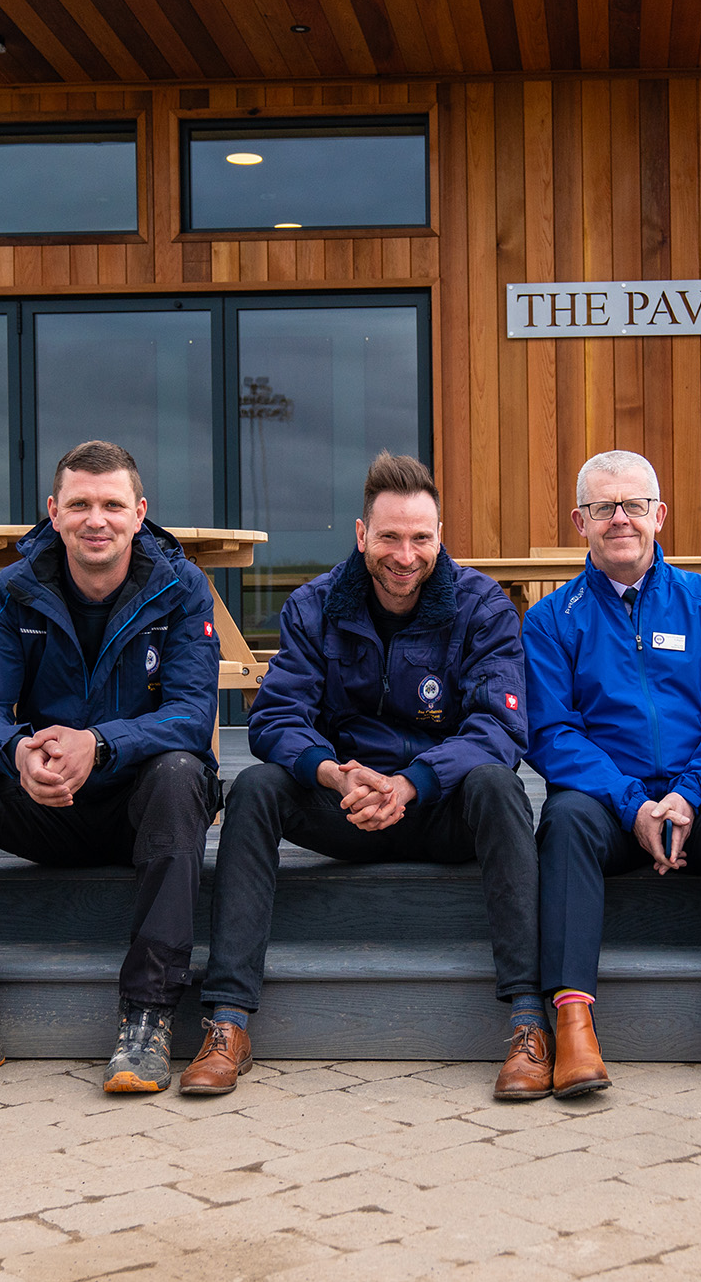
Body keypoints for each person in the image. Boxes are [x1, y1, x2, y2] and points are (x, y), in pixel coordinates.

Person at [195, 453, 543, 1099]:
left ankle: (528, 1020)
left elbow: (501, 728)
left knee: (501, 786)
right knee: (255, 789)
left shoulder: (481, 606)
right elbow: (274, 717)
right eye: (389, 536)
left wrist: (414, 780)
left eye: (421, 537)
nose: (405, 555)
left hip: (441, 806)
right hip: (346, 803)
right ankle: (228, 1022)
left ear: (440, 536)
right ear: (362, 535)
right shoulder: (315, 604)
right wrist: (330, 772)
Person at [0, 439, 222, 1096]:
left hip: (138, 805)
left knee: (183, 771)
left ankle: (149, 1014)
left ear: (139, 511)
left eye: (112, 504)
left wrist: (98, 744)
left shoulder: (182, 587)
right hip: (47, 799)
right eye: (80, 504)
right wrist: (17, 751)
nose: (97, 518)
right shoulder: (17, 587)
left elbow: (190, 715)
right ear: (54, 511)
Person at [525, 449, 701, 1099]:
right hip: (604, 805)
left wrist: (685, 793)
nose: (621, 518)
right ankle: (572, 1022)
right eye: (604, 507)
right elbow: (552, 731)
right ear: (580, 520)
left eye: (635, 505)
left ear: (660, 515)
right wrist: (633, 805)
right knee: (561, 821)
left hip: (698, 798)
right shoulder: (551, 620)